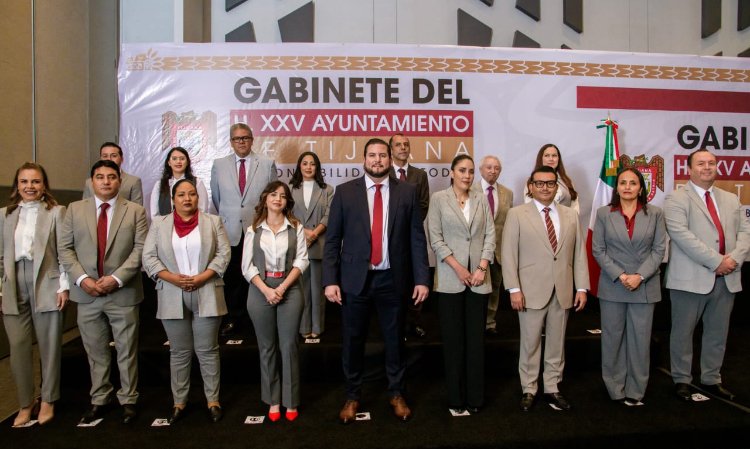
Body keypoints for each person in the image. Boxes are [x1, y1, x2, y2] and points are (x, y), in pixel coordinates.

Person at [323, 138, 430, 424]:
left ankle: (396, 393)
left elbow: (417, 240)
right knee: (353, 340)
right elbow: (332, 240)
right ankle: (352, 394)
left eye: (383, 155)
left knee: (395, 340)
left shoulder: (407, 192)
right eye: (372, 155)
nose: (378, 160)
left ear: (390, 159)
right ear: (364, 159)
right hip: (355, 280)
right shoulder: (345, 193)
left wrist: (422, 278)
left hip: (392, 279)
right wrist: (330, 280)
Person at [59, 159, 148, 424]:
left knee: (126, 350)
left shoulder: (135, 211)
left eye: (111, 177)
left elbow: (140, 249)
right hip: (87, 293)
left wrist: (117, 279)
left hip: (123, 292)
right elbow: (65, 249)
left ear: (119, 181)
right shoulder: (74, 210)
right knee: (95, 350)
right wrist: (83, 279)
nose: (106, 181)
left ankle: (128, 399)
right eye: (100, 177)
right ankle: (99, 397)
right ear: (92, 181)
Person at [664, 148, 750, 402]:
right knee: (682, 333)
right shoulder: (676, 199)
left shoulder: (731, 200)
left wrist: (734, 259)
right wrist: (716, 262)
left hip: (727, 279)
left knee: (717, 334)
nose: (707, 167)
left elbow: (746, 233)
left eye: (711, 163)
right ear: (689, 169)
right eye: (701, 163)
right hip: (690, 280)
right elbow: (681, 236)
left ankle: (711, 379)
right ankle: (681, 380)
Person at [142, 179, 231, 423]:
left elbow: (224, 254)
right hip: (172, 292)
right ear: (173, 199)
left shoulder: (212, 222)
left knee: (207, 351)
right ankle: (179, 402)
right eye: (181, 194)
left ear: (197, 197)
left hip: (207, 290)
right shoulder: (159, 224)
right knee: (179, 353)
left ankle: (213, 400)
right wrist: (172, 278)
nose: (187, 198)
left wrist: (202, 277)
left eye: (191, 194)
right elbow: (148, 257)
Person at [502, 165, 589, 412]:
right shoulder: (517, 214)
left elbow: (579, 253)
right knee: (530, 343)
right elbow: (508, 254)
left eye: (550, 183)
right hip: (529, 291)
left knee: (556, 343)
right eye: (539, 183)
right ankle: (529, 389)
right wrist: (514, 289)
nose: (545, 188)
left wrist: (582, 287)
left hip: (562, 289)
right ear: (531, 186)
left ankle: (552, 387)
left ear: (557, 186)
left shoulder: (570, 215)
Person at [0, 162, 69, 426]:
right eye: (25, 182)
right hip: (13, 283)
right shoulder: (4, 215)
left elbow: (64, 252)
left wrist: (64, 286)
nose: (30, 187)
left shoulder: (57, 212)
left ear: (44, 185)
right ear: (17, 185)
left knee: (49, 345)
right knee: (18, 346)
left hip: (47, 282)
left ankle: (48, 399)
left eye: (36, 182)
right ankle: (25, 402)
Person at [592, 168, 667, 406]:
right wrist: (621, 275)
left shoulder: (655, 214)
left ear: (641, 188)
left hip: (644, 287)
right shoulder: (604, 214)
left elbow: (658, 250)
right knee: (612, 339)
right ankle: (615, 388)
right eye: (622, 182)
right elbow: (598, 250)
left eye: (632, 183)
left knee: (640, 340)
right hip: (614, 285)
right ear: (617, 188)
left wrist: (639, 276)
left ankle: (636, 390)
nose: (627, 187)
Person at [428, 155, 495, 414]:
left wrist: (481, 268)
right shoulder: (438, 199)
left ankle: (476, 399)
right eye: (462, 171)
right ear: (452, 173)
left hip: (479, 280)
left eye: (469, 171)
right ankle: (456, 399)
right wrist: (459, 268)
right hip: (449, 280)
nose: (467, 176)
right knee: (454, 343)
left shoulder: (480, 199)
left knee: (476, 343)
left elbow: (490, 235)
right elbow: (435, 238)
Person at [242, 181, 308, 422]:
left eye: (282, 195)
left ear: (287, 201)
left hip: (288, 289)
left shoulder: (296, 227)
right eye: (273, 194)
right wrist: (266, 290)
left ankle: (290, 401)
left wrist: (280, 288)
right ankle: (273, 400)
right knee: (267, 347)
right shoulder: (253, 228)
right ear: (265, 199)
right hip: (260, 290)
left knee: (288, 346)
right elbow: (246, 266)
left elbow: (302, 261)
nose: (278, 198)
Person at [211, 123, 278, 337]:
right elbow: (217, 198)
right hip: (229, 232)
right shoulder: (219, 165)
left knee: (257, 277)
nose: (241, 141)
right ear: (231, 141)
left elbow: (273, 198)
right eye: (237, 138)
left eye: (245, 138)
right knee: (231, 279)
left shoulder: (266, 164)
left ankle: (256, 320)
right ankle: (232, 319)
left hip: (257, 231)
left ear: (252, 139)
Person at [389, 133, 430, 339]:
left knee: (415, 282)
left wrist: (407, 226)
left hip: (411, 237)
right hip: (388, 240)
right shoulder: (384, 173)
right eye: (398, 145)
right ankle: (396, 327)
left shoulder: (419, 175)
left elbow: (423, 205)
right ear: (391, 149)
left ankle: (413, 324)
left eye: (406, 144)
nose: (403, 148)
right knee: (394, 286)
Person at [289, 151, 333, 339]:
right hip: (297, 244)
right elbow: (286, 214)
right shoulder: (290, 189)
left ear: (317, 167)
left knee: (317, 290)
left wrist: (315, 233)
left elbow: (330, 215)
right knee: (301, 290)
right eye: (305, 163)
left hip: (319, 244)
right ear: (299, 166)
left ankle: (317, 326)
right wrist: (305, 232)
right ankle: (303, 327)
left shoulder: (327, 189)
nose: (308, 167)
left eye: (312, 164)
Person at [473, 155, 513, 335]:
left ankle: (489, 323)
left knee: (495, 288)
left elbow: (508, 223)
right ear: (481, 170)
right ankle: (474, 322)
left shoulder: (507, 193)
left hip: (498, 250)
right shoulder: (470, 189)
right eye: (488, 167)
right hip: (475, 250)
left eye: (496, 168)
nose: (492, 171)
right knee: (475, 288)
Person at [149, 146, 212, 218]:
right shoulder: (159, 184)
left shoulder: (197, 183)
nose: (178, 161)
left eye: (182, 159)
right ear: (169, 162)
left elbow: (203, 210)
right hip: (165, 227)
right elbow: (154, 215)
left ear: (187, 162)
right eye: (174, 159)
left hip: (192, 227)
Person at [523, 144, 579, 212]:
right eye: (547, 155)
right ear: (541, 158)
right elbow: (529, 207)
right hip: (539, 221)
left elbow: (575, 207)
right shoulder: (531, 181)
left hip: (566, 221)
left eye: (554, 155)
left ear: (558, 159)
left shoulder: (567, 181)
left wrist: (573, 221)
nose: (551, 159)